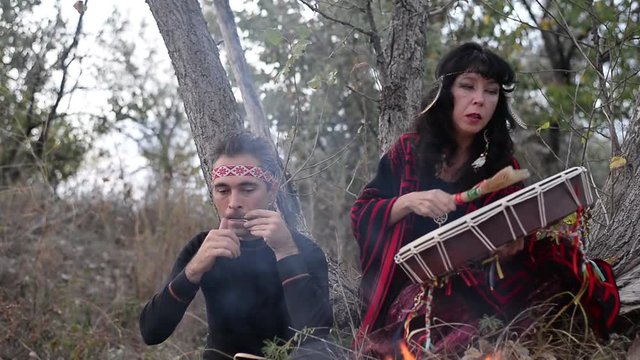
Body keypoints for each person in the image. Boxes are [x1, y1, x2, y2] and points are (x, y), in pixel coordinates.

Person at [350, 42, 619, 357]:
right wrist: (408, 202)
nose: (479, 99)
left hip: (486, 283)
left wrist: (515, 242)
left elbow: (519, 228)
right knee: (453, 318)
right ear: (446, 92)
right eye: (467, 87)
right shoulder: (408, 152)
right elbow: (361, 214)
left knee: (559, 263)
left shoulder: (502, 166)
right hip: (418, 290)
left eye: (491, 91)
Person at [139, 131, 333, 359]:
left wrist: (286, 252)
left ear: (271, 191)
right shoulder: (202, 247)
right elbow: (151, 332)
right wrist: (193, 271)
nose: (233, 203)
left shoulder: (303, 249)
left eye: (247, 189)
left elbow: (318, 336)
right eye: (222, 190)